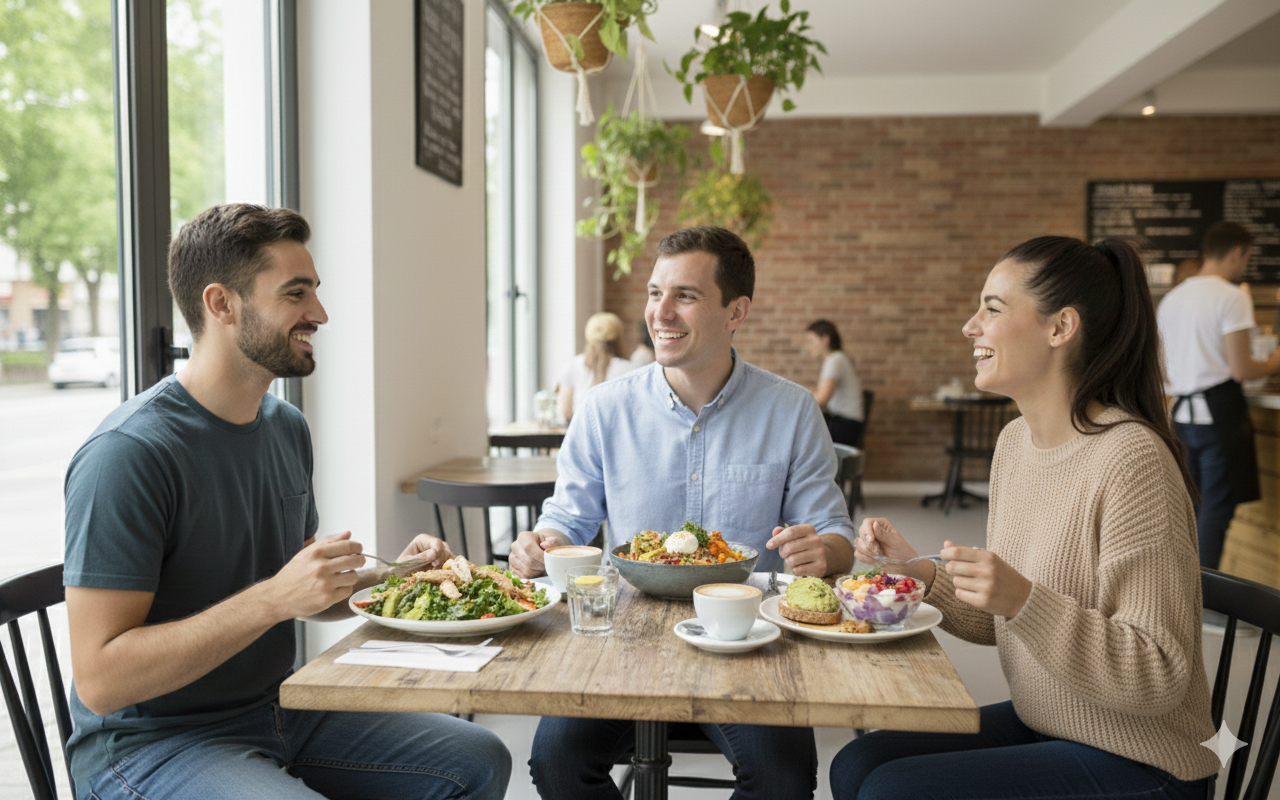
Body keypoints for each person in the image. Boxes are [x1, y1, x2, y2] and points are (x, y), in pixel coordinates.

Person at [62, 204, 510, 800]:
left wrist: (396, 578)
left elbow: (304, 593)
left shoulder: (285, 426)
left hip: (278, 707)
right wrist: (273, 598)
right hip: (151, 746)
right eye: (296, 294)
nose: (319, 314)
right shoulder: (128, 454)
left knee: (477, 759)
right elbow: (100, 681)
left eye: (315, 292)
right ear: (221, 304)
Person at [829, 236, 1216, 800]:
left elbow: (1158, 674)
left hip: (1143, 760)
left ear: (1061, 327)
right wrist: (922, 574)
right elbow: (1003, 624)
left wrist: (1023, 600)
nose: (970, 326)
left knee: (893, 790)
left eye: (992, 308)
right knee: (856, 764)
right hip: (1049, 722)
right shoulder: (1014, 445)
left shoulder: (1133, 461)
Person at [511, 225, 856, 800]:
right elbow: (567, 519)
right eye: (654, 293)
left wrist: (823, 551)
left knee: (784, 779)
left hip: (745, 640)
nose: (660, 312)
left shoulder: (792, 411)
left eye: (685, 296)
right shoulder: (602, 409)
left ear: (736, 311)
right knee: (555, 762)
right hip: (622, 637)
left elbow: (835, 534)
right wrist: (542, 541)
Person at [1157, 221, 1280, 576]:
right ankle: (1206, 597)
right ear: (1238, 252)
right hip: (1219, 415)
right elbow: (1241, 369)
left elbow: (1163, 371)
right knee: (1216, 510)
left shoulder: (1172, 299)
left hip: (1181, 416)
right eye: (1248, 257)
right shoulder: (1232, 296)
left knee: (1192, 508)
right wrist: (1273, 363)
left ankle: (1185, 589)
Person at [555, 311, 637, 422]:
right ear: (619, 338)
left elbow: (565, 410)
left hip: (582, 429)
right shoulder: (630, 369)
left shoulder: (572, 365)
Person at [804, 319, 864, 446]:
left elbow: (821, 398)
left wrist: (797, 401)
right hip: (845, 423)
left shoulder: (834, 360)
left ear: (825, 340)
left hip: (845, 425)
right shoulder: (838, 358)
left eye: (811, 341)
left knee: (800, 430)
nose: (808, 347)